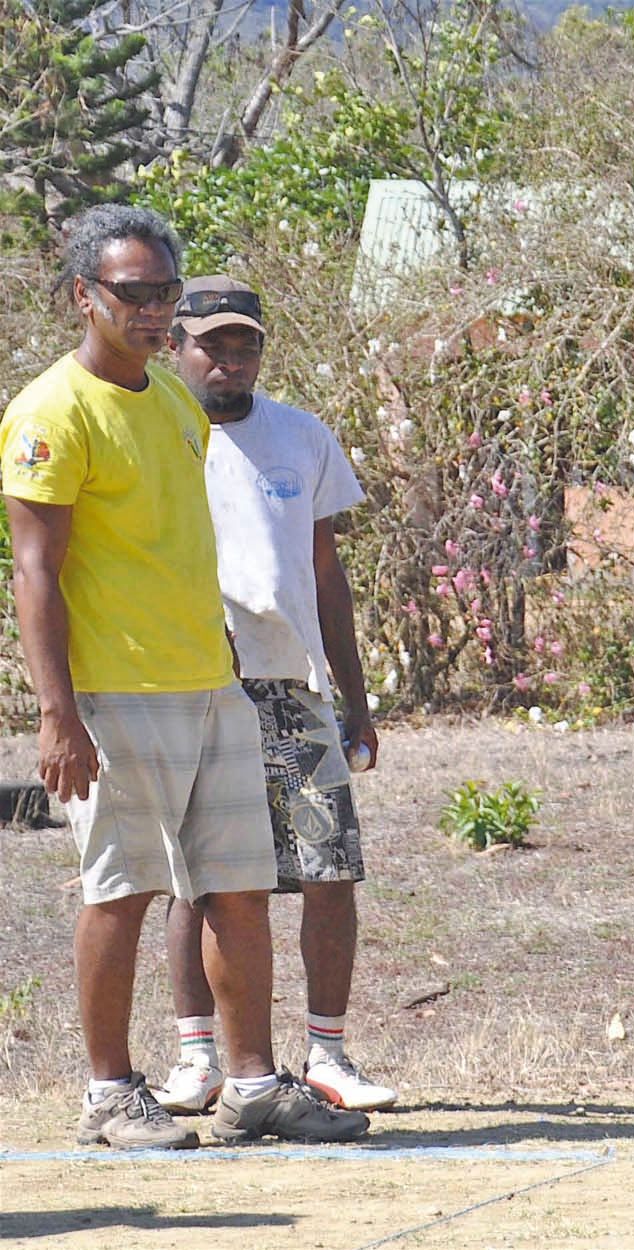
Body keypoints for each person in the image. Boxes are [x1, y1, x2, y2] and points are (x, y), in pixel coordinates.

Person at [0, 206, 367, 1147]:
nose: (155, 310)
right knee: (119, 892)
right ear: (84, 295)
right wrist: (58, 713)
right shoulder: (50, 412)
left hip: (213, 686)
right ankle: (110, 1094)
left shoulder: (170, 401)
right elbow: (35, 573)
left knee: (235, 888)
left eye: (165, 291)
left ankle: (251, 1085)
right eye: (134, 292)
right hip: (114, 697)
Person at [149, 276, 394, 1115]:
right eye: (212, 343)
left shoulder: (301, 435)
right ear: (175, 344)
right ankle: (198, 1058)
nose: (229, 359)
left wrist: (353, 698)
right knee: (203, 882)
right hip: (193, 683)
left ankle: (326, 1052)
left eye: (244, 343)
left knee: (331, 871)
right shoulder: (157, 430)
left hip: (294, 686)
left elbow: (325, 571)